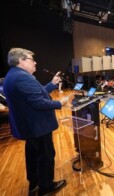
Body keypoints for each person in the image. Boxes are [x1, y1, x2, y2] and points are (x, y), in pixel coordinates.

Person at [3, 48, 68, 196]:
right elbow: (39, 103)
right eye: (31, 59)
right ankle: (46, 187)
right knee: (45, 156)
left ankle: (34, 183)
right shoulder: (22, 77)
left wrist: (51, 84)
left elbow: (36, 94)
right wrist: (60, 103)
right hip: (37, 126)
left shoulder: (13, 75)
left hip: (29, 126)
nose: (35, 62)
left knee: (33, 155)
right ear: (21, 61)